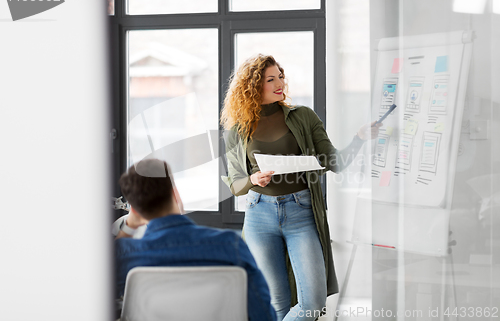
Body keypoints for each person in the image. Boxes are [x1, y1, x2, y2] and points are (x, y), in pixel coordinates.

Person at [220, 54, 381, 321]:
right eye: (271, 79)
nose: (279, 83)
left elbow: (334, 162)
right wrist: (253, 180)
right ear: (253, 85)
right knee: (278, 303)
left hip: (301, 211)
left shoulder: (303, 116)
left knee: (313, 304)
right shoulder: (237, 130)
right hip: (259, 214)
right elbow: (235, 183)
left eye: (281, 76)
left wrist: (359, 138)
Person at [115, 159, 277, 321]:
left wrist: (128, 227)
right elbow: (264, 316)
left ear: (134, 210)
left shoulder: (124, 256)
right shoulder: (230, 245)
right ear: (175, 194)